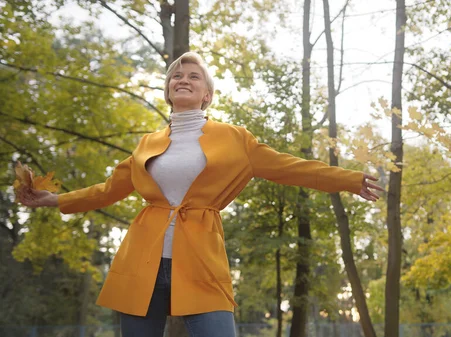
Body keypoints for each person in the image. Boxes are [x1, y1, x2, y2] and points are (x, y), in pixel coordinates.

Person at [18, 51, 384, 337]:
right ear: (168, 90)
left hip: (201, 263)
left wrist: (350, 180)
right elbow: (107, 190)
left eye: (194, 76)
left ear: (206, 94)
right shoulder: (148, 143)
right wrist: (52, 199)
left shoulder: (236, 139)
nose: (184, 79)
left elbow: (292, 168)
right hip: (141, 263)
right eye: (177, 75)